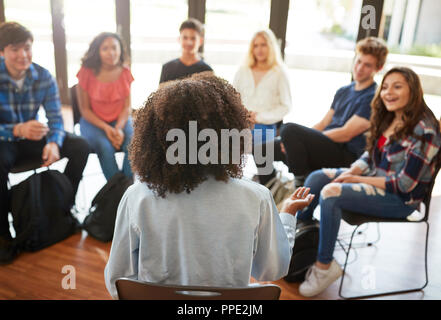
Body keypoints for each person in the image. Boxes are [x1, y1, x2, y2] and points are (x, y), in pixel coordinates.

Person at [104, 73, 314, 299]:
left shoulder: (138, 196)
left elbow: (117, 281)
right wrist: (287, 216)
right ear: (230, 132)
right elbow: (272, 269)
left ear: (155, 138)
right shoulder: (256, 198)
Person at [296, 67, 441, 297]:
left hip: (400, 200)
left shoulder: (425, 130)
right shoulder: (390, 117)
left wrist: (354, 179)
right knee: (317, 177)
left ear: (413, 91)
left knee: (332, 192)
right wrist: (351, 171)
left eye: (397, 86)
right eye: (385, 87)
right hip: (374, 178)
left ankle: (324, 267)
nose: (388, 92)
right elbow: (369, 155)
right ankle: (296, 237)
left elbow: (403, 185)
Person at [0, 22, 90, 264]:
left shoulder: (42, 76)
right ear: (2, 52)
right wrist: (17, 129)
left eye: (27, 48)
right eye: (14, 49)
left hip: (34, 137)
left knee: (80, 146)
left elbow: (55, 119)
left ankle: (62, 206)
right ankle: (3, 233)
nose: (23, 55)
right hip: (5, 140)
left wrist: (53, 142)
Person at [257, 37, 389, 187]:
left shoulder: (373, 97)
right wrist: (295, 140)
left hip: (345, 155)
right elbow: (324, 123)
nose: (360, 68)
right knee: (263, 150)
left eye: (367, 65)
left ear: (378, 69)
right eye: (358, 62)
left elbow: (346, 133)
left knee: (288, 129)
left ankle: (300, 185)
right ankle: (270, 192)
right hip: (327, 145)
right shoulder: (344, 91)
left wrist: (304, 141)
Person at [76, 32, 134, 181]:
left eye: (115, 48)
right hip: (93, 122)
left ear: (121, 50)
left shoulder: (125, 71)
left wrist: (118, 128)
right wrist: (108, 129)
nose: (111, 53)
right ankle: (115, 190)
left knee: (134, 142)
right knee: (104, 146)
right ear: (98, 51)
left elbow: (127, 107)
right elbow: (85, 110)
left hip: (119, 121)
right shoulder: (85, 72)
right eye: (105, 48)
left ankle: (126, 186)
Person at [233, 29, 292, 146]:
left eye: (263, 45)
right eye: (255, 45)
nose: (259, 49)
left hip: (265, 124)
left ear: (271, 46)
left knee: (261, 148)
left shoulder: (279, 73)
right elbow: (233, 96)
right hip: (241, 121)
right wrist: (243, 114)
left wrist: (260, 117)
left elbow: (286, 106)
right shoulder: (243, 70)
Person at [159, 18, 213, 84]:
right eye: (185, 38)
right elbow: (160, 93)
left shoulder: (207, 71)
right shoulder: (167, 68)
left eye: (193, 38)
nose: (189, 42)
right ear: (179, 39)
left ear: (200, 41)